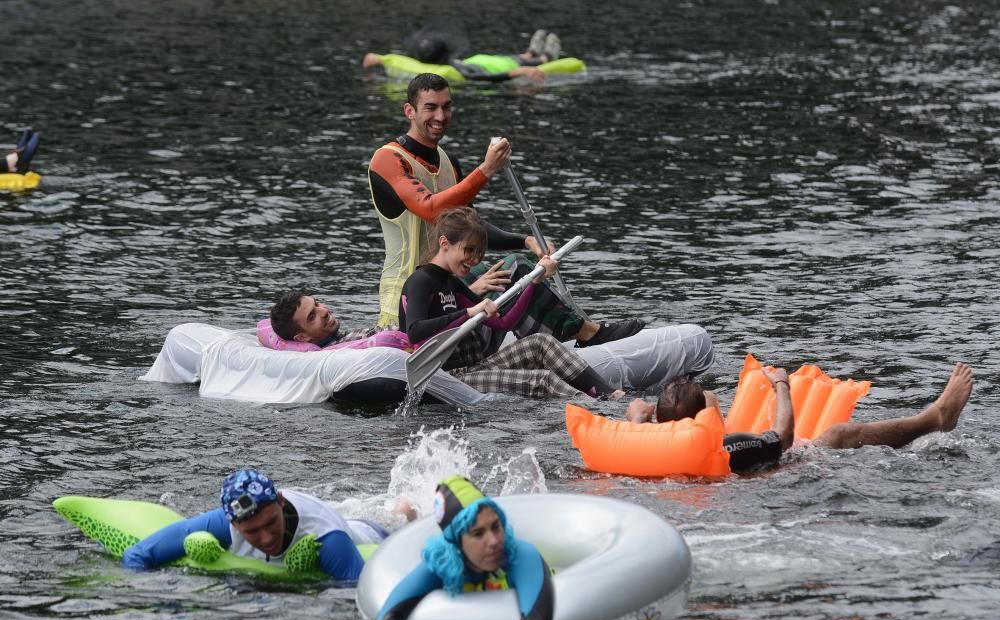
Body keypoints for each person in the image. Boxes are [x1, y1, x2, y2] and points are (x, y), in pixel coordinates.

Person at [367, 72, 643, 347]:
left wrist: (525, 240)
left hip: (451, 289)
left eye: (447, 106)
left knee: (512, 270)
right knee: (515, 269)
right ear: (409, 111)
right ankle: (585, 334)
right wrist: (486, 170)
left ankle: (567, 338)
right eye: (430, 107)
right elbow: (430, 210)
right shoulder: (388, 159)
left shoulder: (448, 162)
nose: (440, 116)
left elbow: (470, 230)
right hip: (408, 305)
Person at [400, 207, 623, 399]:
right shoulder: (421, 281)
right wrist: (469, 312)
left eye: (479, 253)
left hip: (472, 369)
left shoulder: (452, 284)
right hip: (444, 377)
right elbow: (415, 332)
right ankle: (595, 410)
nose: (474, 260)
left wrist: (534, 283)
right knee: (542, 380)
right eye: (468, 250)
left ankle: (609, 395)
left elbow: (504, 323)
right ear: (444, 243)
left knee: (541, 343)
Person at [625, 362, 974, 473]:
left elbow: (702, 405)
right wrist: (781, 386)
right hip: (778, 472)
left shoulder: (651, 440)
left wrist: (637, 421)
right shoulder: (726, 447)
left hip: (704, 482)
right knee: (838, 435)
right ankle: (935, 418)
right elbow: (783, 437)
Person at [121, 469, 398, 581]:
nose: (265, 538)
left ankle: (403, 510)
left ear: (279, 502)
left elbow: (363, 598)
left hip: (370, 535)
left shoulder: (328, 538)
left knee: (397, 517)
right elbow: (138, 554)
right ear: (232, 523)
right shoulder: (223, 522)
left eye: (269, 523)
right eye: (252, 531)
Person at [376, 475, 554, 620]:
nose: (493, 541)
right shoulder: (442, 563)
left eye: (495, 526)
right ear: (456, 544)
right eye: (478, 534)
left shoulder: (521, 556)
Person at [362, 29, 565, 82]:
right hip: (479, 60)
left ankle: (545, 56)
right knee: (513, 57)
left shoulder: (456, 70)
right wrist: (379, 58)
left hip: (485, 67)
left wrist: (520, 72)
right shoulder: (449, 64)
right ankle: (530, 52)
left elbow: (481, 78)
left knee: (517, 60)